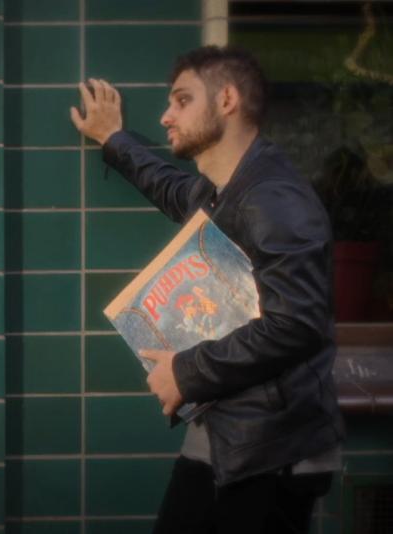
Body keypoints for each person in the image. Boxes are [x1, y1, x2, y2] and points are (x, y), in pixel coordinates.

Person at [70, 46, 345, 533]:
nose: (166, 116)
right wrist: (112, 138)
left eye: (182, 100)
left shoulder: (275, 200)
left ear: (227, 100)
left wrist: (186, 371)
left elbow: (296, 324)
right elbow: (168, 186)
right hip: (229, 438)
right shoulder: (224, 192)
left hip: (270, 453)